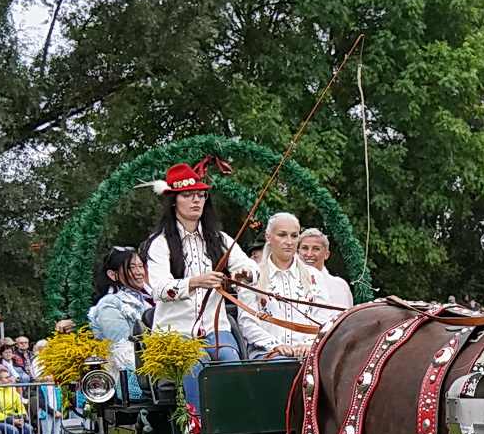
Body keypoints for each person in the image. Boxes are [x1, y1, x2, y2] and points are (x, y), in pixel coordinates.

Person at [143, 158, 256, 366]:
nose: (196, 200)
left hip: (216, 330)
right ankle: (194, 402)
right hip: (174, 331)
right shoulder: (160, 243)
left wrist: (244, 272)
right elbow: (158, 289)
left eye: (201, 195)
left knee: (231, 361)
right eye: (187, 195)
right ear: (173, 201)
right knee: (196, 363)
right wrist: (195, 282)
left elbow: (251, 267)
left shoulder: (220, 238)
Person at [239, 213, 326, 359]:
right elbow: (247, 323)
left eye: (294, 236)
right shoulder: (254, 276)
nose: (289, 241)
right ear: (268, 237)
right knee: (282, 366)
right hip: (267, 354)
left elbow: (323, 317)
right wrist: (275, 345)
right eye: (282, 235)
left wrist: (310, 343)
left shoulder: (314, 276)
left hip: (308, 354)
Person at [88, 245, 154, 393]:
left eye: (140, 266)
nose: (139, 272)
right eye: (132, 268)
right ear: (112, 274)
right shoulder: (110, 304)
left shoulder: (147, 299)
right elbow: (122, 350)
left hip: (150, 376)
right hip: (125, 383)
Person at [297, 228, 357, 311]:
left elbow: (342, 320)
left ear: (326, 254)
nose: (309, 254)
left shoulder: (338, 286)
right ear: (298, 252)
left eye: (316, 249)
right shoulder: (288, 282)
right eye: (305, 248)